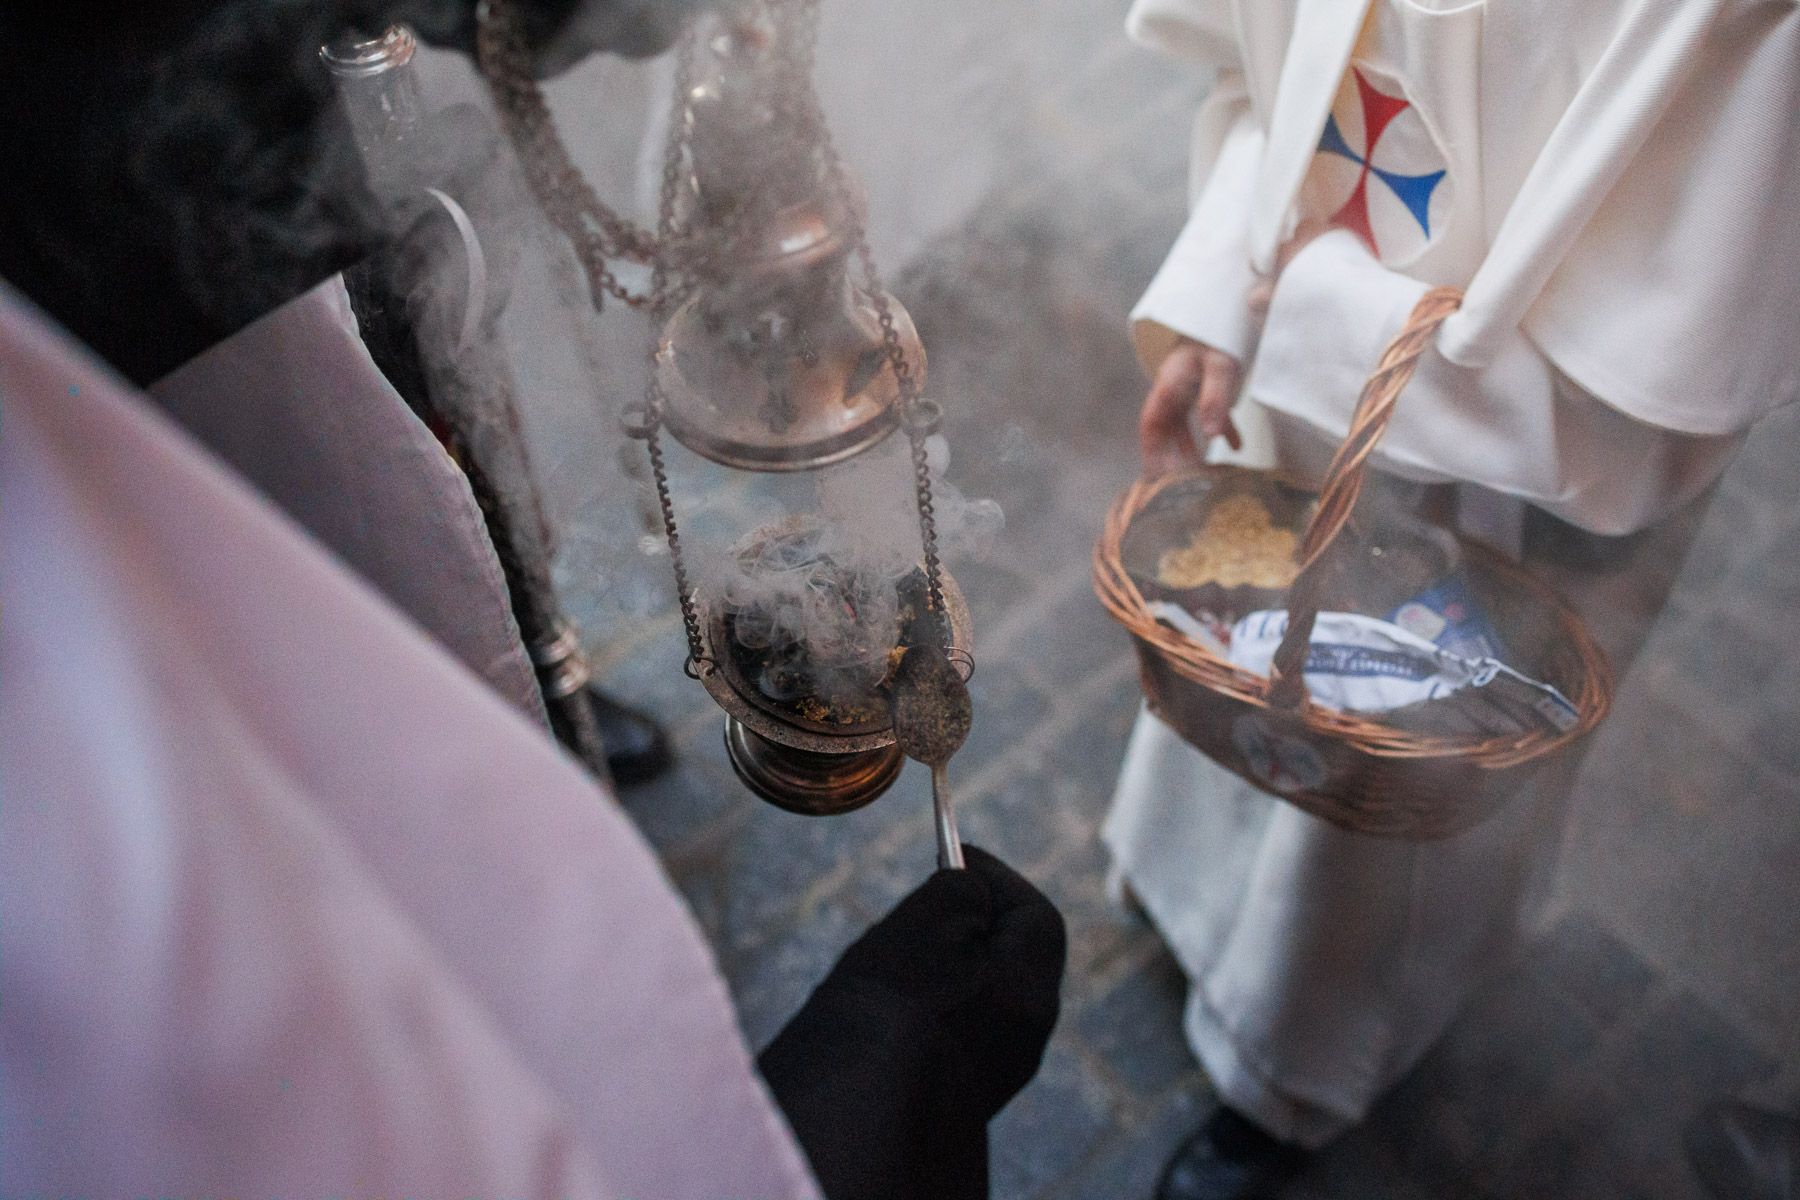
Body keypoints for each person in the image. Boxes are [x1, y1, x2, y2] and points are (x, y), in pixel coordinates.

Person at [0, 3, 1066, 1197]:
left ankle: (529, 690)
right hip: (134, 341)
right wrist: (879, 1069)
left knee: (420, 528)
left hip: (205, 270)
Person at [1101, 1, 1800, 1196]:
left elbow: (1637, 409)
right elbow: (1285, 82)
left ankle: (1293, 1075)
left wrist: (1296, 301)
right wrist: (1227, 290)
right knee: (1245, 650)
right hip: (1299, 383)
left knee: (1387, 816)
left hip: (1513, 480)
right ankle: (1179, 896)